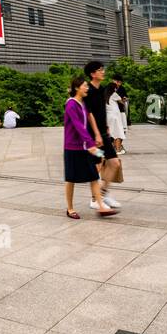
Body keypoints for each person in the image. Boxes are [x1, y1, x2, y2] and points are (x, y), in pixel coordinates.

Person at [64, 77, 117, 219]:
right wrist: (92, 144)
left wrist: (95, 141)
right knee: (71, 179)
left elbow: (88, 121)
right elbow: (79, 127)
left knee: (94, 175)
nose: (87, 88)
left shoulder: (83, 104)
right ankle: (70, 209)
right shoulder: (71, 104)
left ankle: (101, 207)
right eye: (84, 86)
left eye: (87, 86)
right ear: (77, 88)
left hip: (86, 147)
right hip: (73, 148)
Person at [84, 60, 122, 210]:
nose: (103, 72)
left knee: (114, 163)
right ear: (93, 74)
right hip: (94, 137)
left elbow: (101, 111)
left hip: (103, 134)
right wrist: (97, 135)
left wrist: (105, 126)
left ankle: (103, 194)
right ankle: (94, 199)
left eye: (102, 69)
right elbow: (89, 113)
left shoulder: (101, 90)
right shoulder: (89, 90)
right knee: (98, 165)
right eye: (100, 70)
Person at [105, 82, 126, 154]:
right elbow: (122, 102)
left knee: (112, 132)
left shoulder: (104, 95)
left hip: (108, 116)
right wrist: (124, 99)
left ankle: (113, 149)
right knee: (118, 132)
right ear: (114, 88)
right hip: (115, 116)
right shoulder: (114, 94)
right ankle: (118, 150)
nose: (116, 89)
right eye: (116, 88)